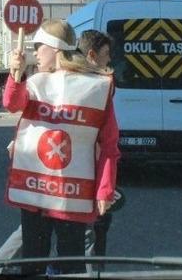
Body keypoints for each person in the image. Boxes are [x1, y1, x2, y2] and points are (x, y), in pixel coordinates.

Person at [2, 19, 120, 275]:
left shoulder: (97, 87)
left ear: (55, 48)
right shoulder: (36, 82)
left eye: (38, 47)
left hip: (67, 196)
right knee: (35, 262)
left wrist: (105, 190)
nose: (35, 53)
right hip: (43, 194)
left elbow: (109, 145)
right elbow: (12, 103)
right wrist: (15, 74)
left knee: (69, 263)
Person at [77, 29, 117, 269]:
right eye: (106, 53)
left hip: (80, 175)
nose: (109, 59)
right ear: (91, 55)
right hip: (86, 175)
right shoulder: (97, 88)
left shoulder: (102, 86)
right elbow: (108, 144)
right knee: (89, 234)